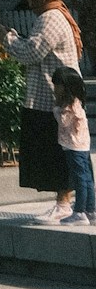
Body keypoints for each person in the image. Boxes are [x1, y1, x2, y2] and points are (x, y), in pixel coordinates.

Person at [11, 0, 83, 213]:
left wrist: (7, 39)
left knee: (57, 151)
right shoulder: (53, 15)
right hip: (52, 96)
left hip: (54, 97)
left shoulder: (50, 18)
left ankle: (64, 202)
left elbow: (32, 52)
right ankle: (66, 201)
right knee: (57, 149)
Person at [55, 67, 96, 226]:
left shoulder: (68, 105)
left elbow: (63, 122)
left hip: (73, 146)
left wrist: (56, 109)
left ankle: (79, 212)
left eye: (57, 86)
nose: (55, 89)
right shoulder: (78, 102)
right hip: (83, 145)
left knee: (79, 179)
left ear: (66, 87)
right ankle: (90, 210)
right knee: (86, 179)